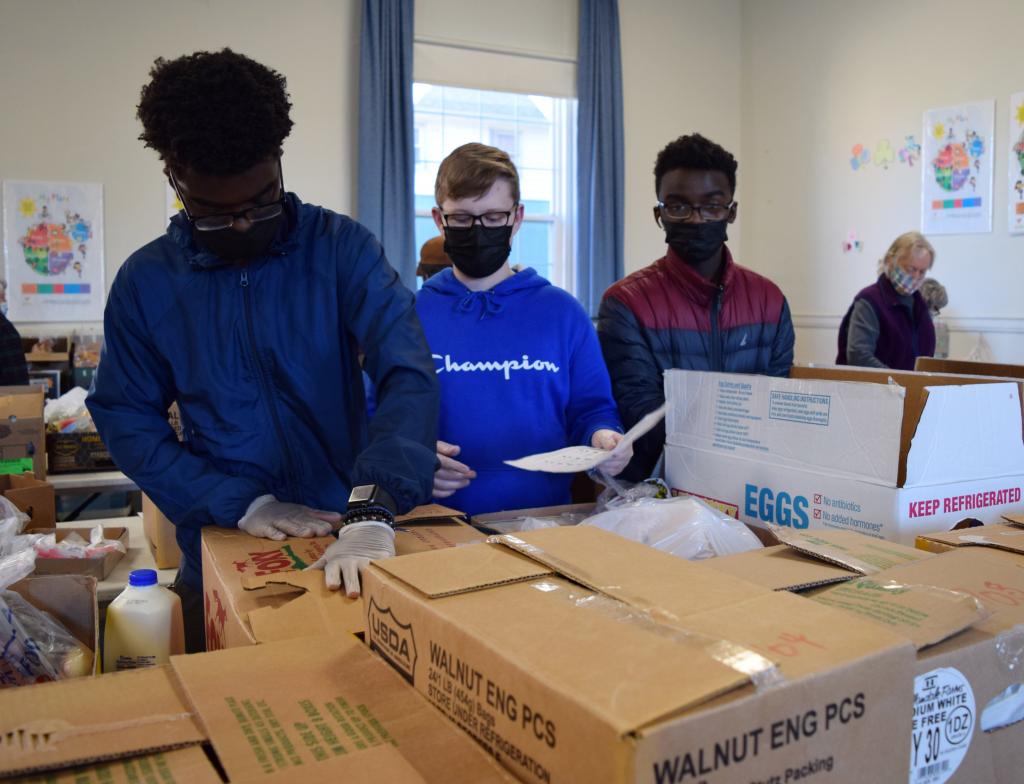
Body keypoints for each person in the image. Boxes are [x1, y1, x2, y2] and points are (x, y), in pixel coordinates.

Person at [86, 49, 439, 651]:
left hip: (349, 539)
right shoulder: (148, 283)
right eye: (217, 214)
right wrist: (239, 502)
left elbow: (407, 371)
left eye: (261, 202)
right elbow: (125, 416)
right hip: (228, 543)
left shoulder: (342, 250)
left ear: (279, 161)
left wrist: (376, 503)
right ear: (175, 180)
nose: (245, 226)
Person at [416, 143, 630, 515]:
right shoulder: (411, 313)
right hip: (435, 522)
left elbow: (592, 409)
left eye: (494, 217)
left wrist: (604, 439)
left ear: (517, 218)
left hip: (543, 521)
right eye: (463, 219)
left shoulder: (563, 313)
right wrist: (412, 456)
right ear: (439, 219)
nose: (478, 230)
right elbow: (376, 416)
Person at [598, 133, 794, 481]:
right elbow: (643, 414)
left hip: (754, 489)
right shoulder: (626, 303)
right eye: (678, 207)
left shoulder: (770, 301)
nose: (695, 219)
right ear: (659, 213)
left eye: (711, 206)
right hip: (656, 495)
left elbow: (778, 408)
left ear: (731, 212)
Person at [836, 231, 936, 370]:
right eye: (911, 269)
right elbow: (859, 356)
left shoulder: (920, 305)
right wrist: (899, 382)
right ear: (891, 261)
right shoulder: (869, 301)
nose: (916, 276)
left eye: (922, 272)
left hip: (910, 389)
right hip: (876, 389)